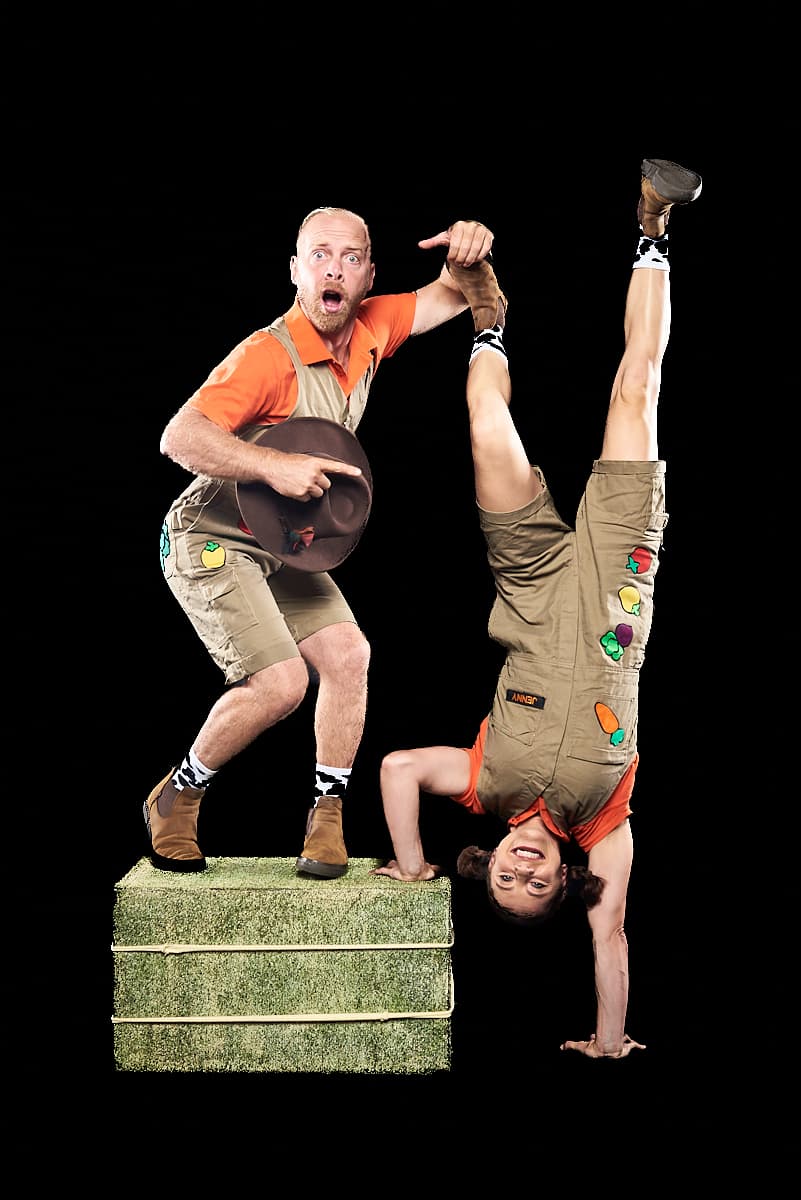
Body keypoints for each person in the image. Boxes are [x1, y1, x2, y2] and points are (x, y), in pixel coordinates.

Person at [371, 158, 702, 1059]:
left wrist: (411, 865)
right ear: (566, 880)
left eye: (503, 884)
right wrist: (607, 1039)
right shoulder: (605, 823)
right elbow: (611, 936)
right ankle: (652, 229)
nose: (521, 874)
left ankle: (488, 321)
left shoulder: (482, 783)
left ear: (485, 866)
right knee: (636, 387)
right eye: (537, 887)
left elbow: (396, 768)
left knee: (486, 426)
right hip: (617, 575)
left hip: (526, 580)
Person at [146, 208, 495, 878]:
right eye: (319, 255)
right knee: (280, 685)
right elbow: (179, 437)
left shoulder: (372, 328)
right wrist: (271, 466)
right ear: (296, 271)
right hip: (210, 536)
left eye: (349, 258)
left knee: (348, 654)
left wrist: (470, 250)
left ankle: (327, 816)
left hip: (282, 543)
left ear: (368, 275)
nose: (334, 269)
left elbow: (456, 292)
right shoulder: (266, 356)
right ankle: (177, 796)